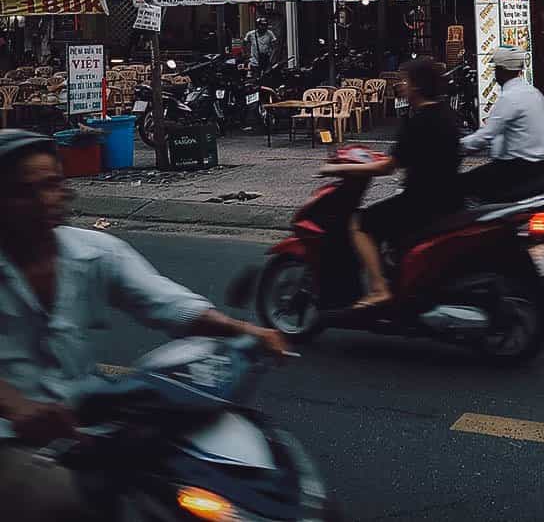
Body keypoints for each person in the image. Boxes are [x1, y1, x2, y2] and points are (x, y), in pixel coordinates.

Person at [0, 129, 288, 521]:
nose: (42, 200)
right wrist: (17, 407)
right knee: (66, 499)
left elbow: (167, 303)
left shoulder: (93, 252)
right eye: (23, 191)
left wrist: (248, 332)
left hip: (85, 418)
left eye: (51, 184)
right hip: (11, 437)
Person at [320, 58, 463, 309]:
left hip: (422, 201)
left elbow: (387, 167)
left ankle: (379, 289)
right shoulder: (447, 114)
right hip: (449, 196)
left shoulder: (417, 121)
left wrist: (338, 168)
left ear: (417, 86)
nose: (400, 87)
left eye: (404, 82)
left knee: (360, 224)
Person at [460, 46, 544, 202]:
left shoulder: (510, 97)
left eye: (496, 68)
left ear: (502, 70)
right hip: (537, 166)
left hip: (514, 169)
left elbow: (486, 135)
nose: (495, 73)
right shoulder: (534, 93)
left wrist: (458, 146)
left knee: (460, 184)